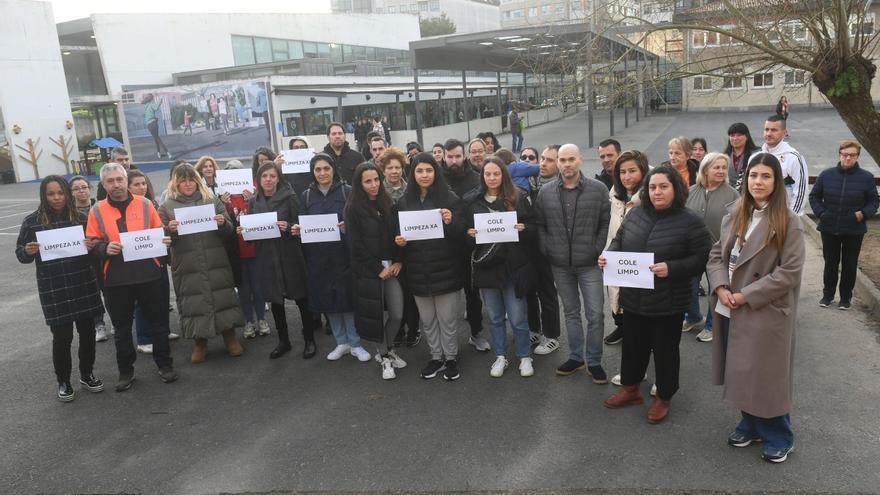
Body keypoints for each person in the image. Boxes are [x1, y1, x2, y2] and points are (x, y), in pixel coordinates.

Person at [706, 153, 805, 463]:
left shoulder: (789, 221)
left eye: (765, 176)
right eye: (753, 176)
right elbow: (715, 256)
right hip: (731, 303)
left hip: (764, 308)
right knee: (742, 368)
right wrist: (721, 286)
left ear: (776, 183)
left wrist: (746, 295)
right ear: (745, 179)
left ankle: (779, 434)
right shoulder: (735, 213)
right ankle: (750, 423)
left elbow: (788, 273)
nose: (758, 182)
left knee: (767, 376)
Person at [601, 166, 712, 424]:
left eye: (663, 186)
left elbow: (702, 258)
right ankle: (631, 389)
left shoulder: (690, 221)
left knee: (665, 352)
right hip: (634, 296)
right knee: (633, 347)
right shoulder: (635, 214)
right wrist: (608, 257)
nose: (657, 192)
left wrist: (672, 268)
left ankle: (664, 396)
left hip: (668, 301)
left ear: (676, 189)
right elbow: (618, 240)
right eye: (652, 187)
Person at [85, 163, 177, 391]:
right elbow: (91, 242)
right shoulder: (96, 210)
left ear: (126, 180)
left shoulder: (145, 204)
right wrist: (104, 249)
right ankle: (126, 371)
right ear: (103, 184)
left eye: (119, 179)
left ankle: (165, 365)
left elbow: (160, 232)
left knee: (159, 324)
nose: (116, 185)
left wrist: (165, 239)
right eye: (110, 181)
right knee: (122, 329)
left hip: (149, 274)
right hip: (116, 279)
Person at [16, 176, 106, 402]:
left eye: (60, 193)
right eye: (51, 193)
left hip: (83, 283)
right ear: (43, 196)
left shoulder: (81, 218)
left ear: (68, 194)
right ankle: (64, 381)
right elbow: (20, 254)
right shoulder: (32, 222)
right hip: (54, 289)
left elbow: (96, 252)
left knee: (87, 333)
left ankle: (87, 374)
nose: (56, 198)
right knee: (62, 337)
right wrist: (27, 251)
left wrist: (91, 247)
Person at [534, 144, 610, 381]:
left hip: (589, 264)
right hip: (560, 265)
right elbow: (540, 225)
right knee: (571, 312)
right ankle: (577, 357)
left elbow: (605, 223)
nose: (566, 164)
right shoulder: (545, 192)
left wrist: (596, 248)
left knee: (596, 314)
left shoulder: (598, 190)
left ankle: (594, 360)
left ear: (580, 160)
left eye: (571, 159)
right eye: (562, 160)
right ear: (557, 162)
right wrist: (548, 249)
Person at [159, 164, 245, 363]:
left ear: (197, 181)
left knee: (222, 295)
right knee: (192, 301)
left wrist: (223, 223)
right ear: (176, 183)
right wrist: (168, 230)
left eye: (191, 180)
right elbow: (161, 239)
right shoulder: (166, 206)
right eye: (183, 180)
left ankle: (229, 336)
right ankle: (200, 342)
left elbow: (230, 229)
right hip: (186, 262)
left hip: (215, 258)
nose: (188, 184)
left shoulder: (211, 200)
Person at [395, 153, 465, 381]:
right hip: (417, 271)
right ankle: (436, 357)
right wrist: (400, 242)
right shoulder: (404, 202)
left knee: (447, 319)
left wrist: (450, 221)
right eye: (419, 171)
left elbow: (463, 236)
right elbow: (399, 236)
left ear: (436, 172)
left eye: (428, 170)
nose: (424, 175)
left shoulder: (450, 199)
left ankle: (451, 357)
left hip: (446, 269)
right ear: (413, 174)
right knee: (428, 320)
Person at [465, 157, 536, 378]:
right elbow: (464, 236)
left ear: (503, 175)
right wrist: (469, 235)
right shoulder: (472, 201)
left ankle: (525, 356)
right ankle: (501, 356)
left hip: (513, 267)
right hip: (487, 267)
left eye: (496, 173)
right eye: (488, 174)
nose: (492, 178)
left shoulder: (518, 197)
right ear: (482, 176)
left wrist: (524, 228)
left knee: (517, 317)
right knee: (495, 317)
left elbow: (534, 228)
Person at [296, 153, 371, 362]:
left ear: (333, 169)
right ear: (313, 172)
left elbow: (361, 221)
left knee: (348, 301)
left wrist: (349, 228)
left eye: (326, 168)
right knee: (329, 302)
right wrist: (299, 230)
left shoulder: (348, 192)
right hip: (319, 259)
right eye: (318, 169)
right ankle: (341, 343)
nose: (322, 173)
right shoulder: (306, 196)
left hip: (344, 256)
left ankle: (356, 343)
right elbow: (302, 223)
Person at [244, 161, 316, 359]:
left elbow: (301, 224)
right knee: (276, 301)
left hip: (289, 254)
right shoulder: (253, 202)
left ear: (278, 178)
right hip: (266, 257)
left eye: (272, 176)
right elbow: (251, 235)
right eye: (264, 176)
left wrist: (290, 226)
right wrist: (246, 231)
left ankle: (309, 338)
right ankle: (283, 341)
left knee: (302, 298)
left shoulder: (290, 198)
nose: (268, 180)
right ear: (258, 179)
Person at [345, 162, 407, 379]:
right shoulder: (353, 209)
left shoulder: (388, 204)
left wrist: (398, 261)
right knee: (377, 317)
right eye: (367, 181)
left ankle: (387, 349)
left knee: (397, 314)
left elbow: (399, 237)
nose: (373, 185)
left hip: (391, 267)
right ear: (359, 184)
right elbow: (355, 246)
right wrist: (375, 268)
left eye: (376, 180)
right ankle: (385, 357)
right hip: (370, 271)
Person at [810, 140, 879, 309]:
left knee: (850, 264)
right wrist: (822, 213)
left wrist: (863, 214)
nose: (848, 158)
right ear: (840, 155)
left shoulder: (866, 177)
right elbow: (814, 197)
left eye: (852, 155)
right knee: (830, 263)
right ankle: (827, 296)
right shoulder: (826, 175)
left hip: (854, 229)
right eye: (845, 154)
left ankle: (845, 298)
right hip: (829, 227)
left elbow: (874, 201)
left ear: (857, 157)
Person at [684, 153, 740, 342]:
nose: (721, 171)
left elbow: (739, 222)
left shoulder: (732, 194)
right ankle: (692, 317)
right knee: (689, 287)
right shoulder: (691, 191)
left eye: (724, 167)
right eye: (716, 167)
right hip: (691, 251)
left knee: (716, 289)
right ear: (705, 169)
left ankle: (711, 325)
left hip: (719, 252)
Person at [443, 139, 489, 351]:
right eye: (450, 156)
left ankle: (476, 333)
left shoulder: (476, 179)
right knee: (446, 298)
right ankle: (446, 342)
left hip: (471, 246)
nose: (454, 160)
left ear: (465, 156)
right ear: (444, 156)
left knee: (472, 295)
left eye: (457, 156)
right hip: (444, 248)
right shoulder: (437, 180)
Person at [603, 150, 650, 348]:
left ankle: (638, 339)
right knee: (615, 296)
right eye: (622, 172)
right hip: (615, 256)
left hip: (639, 261)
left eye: (632, 171)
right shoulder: (614, 193)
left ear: (643, 171)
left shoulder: (649, 196)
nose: (627, 177)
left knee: (636, 304)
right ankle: (621, 328)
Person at [128, 170, 178, 353]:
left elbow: (157, 228)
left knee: (162, 296)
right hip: (139, 261)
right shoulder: (128, 207)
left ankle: (163, 331)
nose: (142, 187)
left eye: (144, 183)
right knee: (142, 302)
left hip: (158, 257)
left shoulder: (151, 203)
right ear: (128, 187)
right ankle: (144, 338)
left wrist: (166, 229)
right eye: (136, 184)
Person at [376, 147, 421, 348]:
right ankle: (399, 328)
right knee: (396, 295)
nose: (394, 171)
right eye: (389, 168)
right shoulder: (377, 193)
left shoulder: (412, 190)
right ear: (383, 170)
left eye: (397, 167)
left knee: (412, 293)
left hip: (411, 251)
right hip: (387, 251)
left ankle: (413, 329)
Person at [220, 159, 269, 340]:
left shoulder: (254, 193)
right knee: (243, 290)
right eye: (230, 172)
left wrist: (253, 200)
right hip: (236, 252)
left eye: (238, 172)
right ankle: (248, 321)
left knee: (258, 287)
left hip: (255, 250)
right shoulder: (223, 197)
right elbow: (223, 224)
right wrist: (223, 203)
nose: (234, 175)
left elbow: (264, 216)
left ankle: (262, 320)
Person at [527, 145, 561, 355]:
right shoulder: (528, 183)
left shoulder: (558, 188)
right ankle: (535, 329)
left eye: (549, 160)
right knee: (530, 290)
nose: (543, 163)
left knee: (547, 291)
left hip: (547, 249)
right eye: (543, 159)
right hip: (528, 247)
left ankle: (552, 335)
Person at [69, 176, 110, 343]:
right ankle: (99, 325)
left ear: (90, 188)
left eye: (84, 187)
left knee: (109, 291)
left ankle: (115, 320)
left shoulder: (100, 207)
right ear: (71, 192)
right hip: (83, 261)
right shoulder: (68, 213)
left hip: (102, 257)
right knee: (92, 293)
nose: (81, 191)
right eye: (76, 188)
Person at [751, 115, 807, 215]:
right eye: (766, 129)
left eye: (774, 130)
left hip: (782, 216)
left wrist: (791, 219)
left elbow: (800, 192)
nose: (768, 133)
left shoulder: (793, 158)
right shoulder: (755, 157)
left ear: (784, 133)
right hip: (757, 215)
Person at [723, 123, 760, 190]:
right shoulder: (724, 156)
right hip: (730, 194)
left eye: (739, 135)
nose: (735, 138)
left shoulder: (757, 154)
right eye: (732, 135)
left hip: (751, 192)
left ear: (747, 136)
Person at [143, 93, 171, 160]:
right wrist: (161, 100)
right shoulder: (151, 105)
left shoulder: (145, 106)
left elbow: (148, 116)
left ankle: (158, 153)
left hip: (149, 125)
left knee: (155, 138)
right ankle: (168, 153)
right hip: (154, 124)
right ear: (151, 99)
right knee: (157, 138)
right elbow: (156, 107)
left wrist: (155, 118)